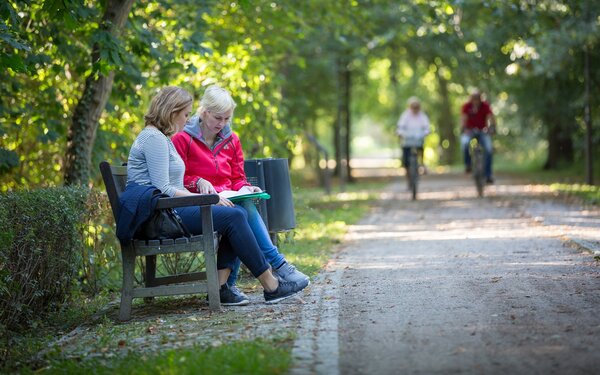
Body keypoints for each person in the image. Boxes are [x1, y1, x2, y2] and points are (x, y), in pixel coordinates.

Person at [124, 86, 308, 306]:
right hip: (161, 217)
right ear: (172, 112)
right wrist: (209, 199)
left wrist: (232, 193)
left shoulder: (160, 137)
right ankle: (271, 285)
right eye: (185, 114)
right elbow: (164, 188)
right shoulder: (154, 139)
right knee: (235, 216)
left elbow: (169, 186)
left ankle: (224, 288)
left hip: (168, 211)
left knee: (235, 213)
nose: (186, 119)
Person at [172, 85, 309, 295]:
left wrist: (246, 187)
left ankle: (228, 285)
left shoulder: (232, 139)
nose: (222, 123)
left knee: (242, 205)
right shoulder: (182, 138)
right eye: (218, 118)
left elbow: (237, 178)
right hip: (198, 204)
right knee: (239, 213)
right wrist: (198, 181)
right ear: (204, 111)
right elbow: (176, 179)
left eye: (227, 118)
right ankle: (277, 266)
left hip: (227, 201)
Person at [460, 89, 496, 184]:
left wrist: (492, 127)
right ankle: (468, 165)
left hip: (482, 131)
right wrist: (463, 128)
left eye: (477, 98)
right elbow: (463, 118)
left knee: (488, 149)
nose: (475, 100)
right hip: (470, 131)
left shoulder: (485, 106)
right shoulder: (466, 106)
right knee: (465, 144)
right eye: (474, 98)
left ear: (480, 99)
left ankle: (488, 175)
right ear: (471, 99)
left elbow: (491, 117)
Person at [396, 96, 430, 176]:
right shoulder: (405, 115)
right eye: (413, 106)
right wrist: (400, 132)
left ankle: (422, 164)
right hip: (407, 139)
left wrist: (426, 132)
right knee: (406, 158)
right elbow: (400, 126)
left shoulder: (422, 115)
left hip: (418, 138)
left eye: (416, 107)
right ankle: (407, 173)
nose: (415, 108)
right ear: (410, 106)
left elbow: (426, 126)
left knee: (421, 149)